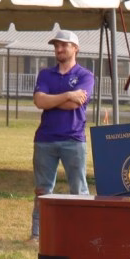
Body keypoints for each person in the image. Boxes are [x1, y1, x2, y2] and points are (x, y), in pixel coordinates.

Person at [29, 30, 94, 243]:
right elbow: (40, 102)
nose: (59, 49)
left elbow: (76, 103)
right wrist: (67, 94)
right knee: (42, 190)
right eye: (56, 45)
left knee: (78, 189)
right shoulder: (45, 74)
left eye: (63, 45)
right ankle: (38, 234)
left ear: (75, 48)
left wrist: (53, 99)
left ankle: (81, 232)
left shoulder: (86, 76)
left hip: (73, 140)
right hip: (45, 140)